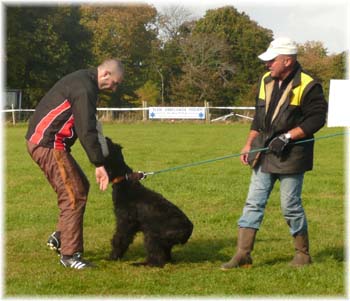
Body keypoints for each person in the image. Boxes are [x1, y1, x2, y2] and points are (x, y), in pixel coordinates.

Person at [221, 37, 328, 270]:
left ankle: (302, 254)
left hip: (293, 154)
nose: (267, 64)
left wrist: (288, 136)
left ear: (287, 61)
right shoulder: (265, 80)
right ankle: (243, 253)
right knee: (253, 203)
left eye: (272, 60)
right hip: (263, 152)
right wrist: (249, 144)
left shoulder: (309, 85)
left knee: (290, 206)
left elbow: (317, 118)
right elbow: (259, 117)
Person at [26, 59, 124, 269]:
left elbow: (88, 126)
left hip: (47, 142)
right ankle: (70, 255)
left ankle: (60, 236)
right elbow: (85, 128)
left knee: (80, 186)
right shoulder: (84, 88)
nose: (114, 88)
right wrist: (99, 164)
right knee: (74, 195)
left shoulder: (83, 79)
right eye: (115, 83)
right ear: (106, 74)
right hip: (49, 143)